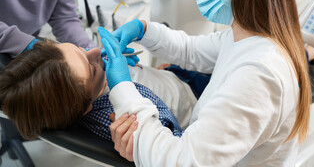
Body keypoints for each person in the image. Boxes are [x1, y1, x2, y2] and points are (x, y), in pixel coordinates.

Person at [100, 0, 312, 166]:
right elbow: (190, 50)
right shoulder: (244, 37)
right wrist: (143, 29)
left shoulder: (260, 73)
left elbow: (183, 162)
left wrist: (122, 88)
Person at [0, 40, 196, 140]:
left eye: (80, 49)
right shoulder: (116, 122)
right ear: (85, 107)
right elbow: (173, 146)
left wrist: (157, 75)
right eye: (91, 68)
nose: (95, 51)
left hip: (175, 78)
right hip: (194, 111)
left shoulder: (89, 83)